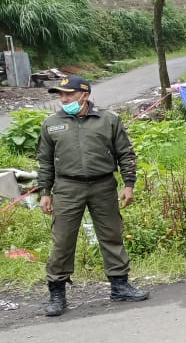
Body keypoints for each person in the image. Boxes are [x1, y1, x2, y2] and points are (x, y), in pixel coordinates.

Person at [36, 75, 150, 317]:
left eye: (68, 94)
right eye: (61, 95)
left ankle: (120, 285)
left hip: (103, 186)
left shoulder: (108, 120)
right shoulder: (51, 124)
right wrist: (44, 192)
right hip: (67, 188)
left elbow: (126, 154)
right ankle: (57, 292)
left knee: (111, 235)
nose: (63, 99)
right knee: (63, 240)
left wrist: (129, 184)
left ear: (84, 95)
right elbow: (45, 161)